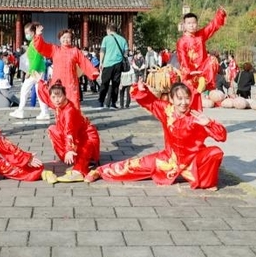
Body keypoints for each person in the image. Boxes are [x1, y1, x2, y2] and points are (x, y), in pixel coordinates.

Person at [86, 80, 227, 189]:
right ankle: (101, 171)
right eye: (180, 99)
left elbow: (221, 136)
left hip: (193, 163)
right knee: (134, 165)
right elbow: (152, 103)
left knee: (215, 152)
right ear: (171, 99)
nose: (184, 103)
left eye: (187, 99)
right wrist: (143, 90)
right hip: (167, 160)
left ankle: (206, 183)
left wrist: (209, 123)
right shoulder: (167, 111)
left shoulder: (196, 118)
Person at [37, 80, 100, 183]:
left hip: (87, 137)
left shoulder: (69, 111)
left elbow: (69, 132)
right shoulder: (58, 105)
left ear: (65, 95)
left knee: (82, 154)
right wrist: (39, 82)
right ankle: (72, 157)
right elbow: (46, 95)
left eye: (59, 96)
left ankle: (79, 170)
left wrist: (69, 149)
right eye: (53, 97)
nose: (56, 100)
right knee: (52, 129)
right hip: (76, 136)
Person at [34, 25, 98, 110]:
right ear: (59, 39)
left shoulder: (75, 51)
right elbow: (41, 47)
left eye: (68, 38)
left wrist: (92, 71)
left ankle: (73, 122)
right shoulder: (54, 49)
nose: (66, 40)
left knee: (73, 104)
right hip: (58, 83)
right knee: (58, 103)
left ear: (71, 39)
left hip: (71, 83)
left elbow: (84, 62)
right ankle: (61, 122)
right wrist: (38, 35)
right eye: (63, 37)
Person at [176, 9, 226, 109]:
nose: (192, 25)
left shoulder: (200, 35)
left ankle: (208, 85)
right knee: (189, 98)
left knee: (212, 59)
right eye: (189, 23)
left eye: (194, 23)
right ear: (184, 25)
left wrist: (220, 14)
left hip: (203, 70)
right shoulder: (182, 41)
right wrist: (190, 71)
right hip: (190, 73)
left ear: (197, 24)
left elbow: (212, 27)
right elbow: (183, 58)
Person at [10, 22, 51, 120]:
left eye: (28, 32)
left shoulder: (36, 41)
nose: (26, 35)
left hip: (35, 70)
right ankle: (44, 112)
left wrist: (30, 70)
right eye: (25, 33)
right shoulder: (33, 42)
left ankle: (20, 111)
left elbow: (36, 58)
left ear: (33, 32)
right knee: (38, 91)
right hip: (38, 69)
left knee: (25, 90)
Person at [98, 23, 129, 110]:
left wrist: (101, 63)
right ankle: (113, 103)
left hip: (107, 64)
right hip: (118, 64)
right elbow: (126, 53)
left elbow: (102, 51)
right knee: (116, 84)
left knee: (105, 83)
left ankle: (101, 102)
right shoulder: (123, 39)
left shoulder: (106, 38)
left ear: (108, 30)